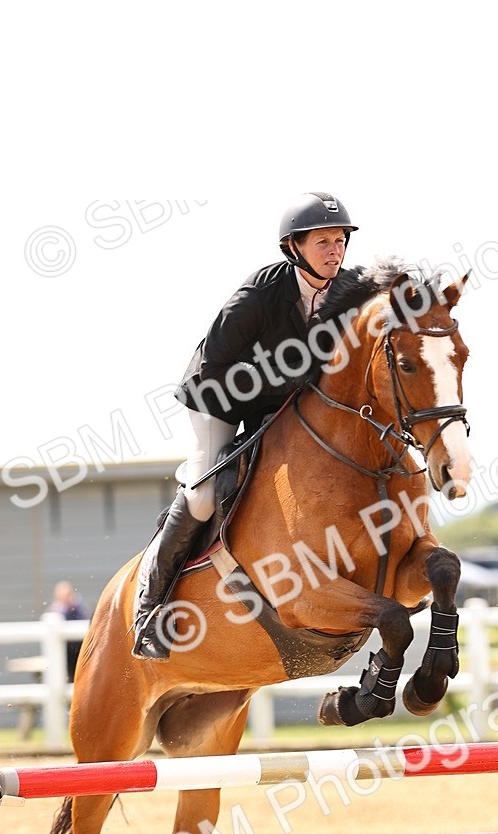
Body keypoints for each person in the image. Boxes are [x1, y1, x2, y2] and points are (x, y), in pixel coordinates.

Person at [132, 191, 358, 660]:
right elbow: (216, 364)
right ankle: (148, 609)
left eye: (340, 241)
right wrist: (285, 387)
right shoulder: (261, 292)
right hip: (217, 396)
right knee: (200, 493)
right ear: (293, 247)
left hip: (283, 403)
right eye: (323, 242)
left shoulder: (348, 292)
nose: (335, 251)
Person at [48, 580, 90, 681]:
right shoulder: (57, 609)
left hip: (79, 647)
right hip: (65, 649)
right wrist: (65, 609)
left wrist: (74, 606)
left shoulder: (78, 608)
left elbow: (85, 620)